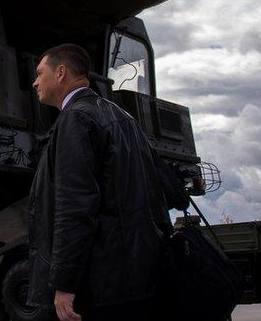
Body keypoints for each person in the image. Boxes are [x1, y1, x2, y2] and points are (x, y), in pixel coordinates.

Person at [28, 44, 169, 321]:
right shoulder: (124, 118)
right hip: (136, 279)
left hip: (97, 285)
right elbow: (158, 195)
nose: (34, 82)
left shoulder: (76, 119)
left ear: (61, 73)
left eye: (39, 73)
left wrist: (65, 283)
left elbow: (74, 208)